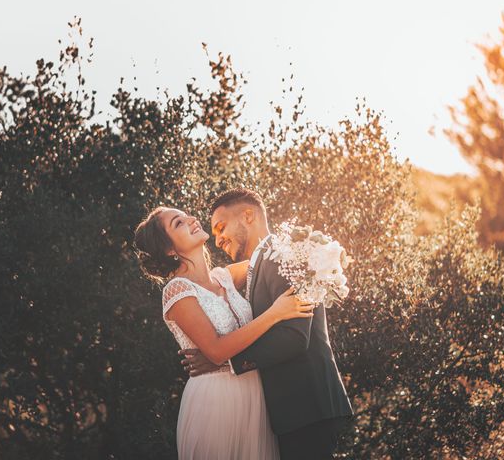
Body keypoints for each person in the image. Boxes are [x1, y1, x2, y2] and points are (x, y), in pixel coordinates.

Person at [180, 188, 353, 459]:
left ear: (248, 216)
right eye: (213, 234)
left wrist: (226, 362)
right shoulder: (261, 263)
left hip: (306, 405)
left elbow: (295, 337)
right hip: (294, 411)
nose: (218, 239)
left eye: (221, 227)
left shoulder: (283, 255)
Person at [134, 206, 314, 459]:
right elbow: (217, 351)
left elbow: (267, 256)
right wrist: (275, 313)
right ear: (169, 250)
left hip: (254, 395)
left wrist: (318, 249)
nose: (191, 220)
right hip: (215, 400)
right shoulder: (176, 291)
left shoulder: (224, 277)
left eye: (186, 216)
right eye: (179, 223)